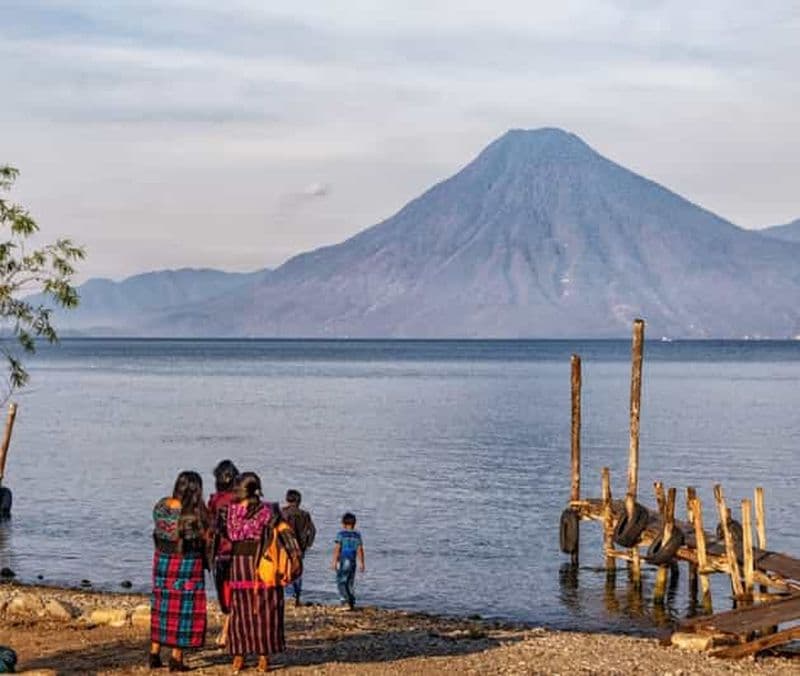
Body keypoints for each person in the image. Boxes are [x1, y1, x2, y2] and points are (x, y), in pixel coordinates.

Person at [149, 470, 209, 672]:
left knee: (161, 605)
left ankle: (154, 653)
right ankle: (176, 657)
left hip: (162, 561)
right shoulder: (195, 515)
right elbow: (205, 537)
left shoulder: (161, 506)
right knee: (184, 610)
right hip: (187, 563)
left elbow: (159, 530)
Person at [226, 472, 285, 674]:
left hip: (247, 563)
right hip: (257, 563)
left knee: (248, 609)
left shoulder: (234, 510)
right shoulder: (270, 510)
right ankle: (256, 656)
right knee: (261, 609)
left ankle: (248, 656)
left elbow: (234, 534)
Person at [207, 459, 239, 647]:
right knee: (237, 593)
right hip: (242, 554)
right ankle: (229, 629)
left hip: (223, 554)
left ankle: (227, 629)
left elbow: (210, 528)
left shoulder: (215, 500)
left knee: (225, 594)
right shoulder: (243, 500)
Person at [280, 489, 316, 606]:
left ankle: (289, 596)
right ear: (299, 501)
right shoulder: (305, 515)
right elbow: (313, 530)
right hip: (300, 548)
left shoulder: (282, 513)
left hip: (284, 547)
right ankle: (297, 596)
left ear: (287, 499)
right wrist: (308, 543)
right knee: (298, 571)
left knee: (285, 570)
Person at [331, 512, 365, 610]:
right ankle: (351, 601)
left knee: (341, 581)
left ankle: (345, 601)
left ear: (343, 523)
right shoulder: (357, 535)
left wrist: (334, 561)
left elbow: (337, 548)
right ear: (354, 523)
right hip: (353, 560)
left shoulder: (341, 534)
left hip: (344, 559)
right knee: (350, 582)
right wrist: (362, 562)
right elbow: (360, 549)